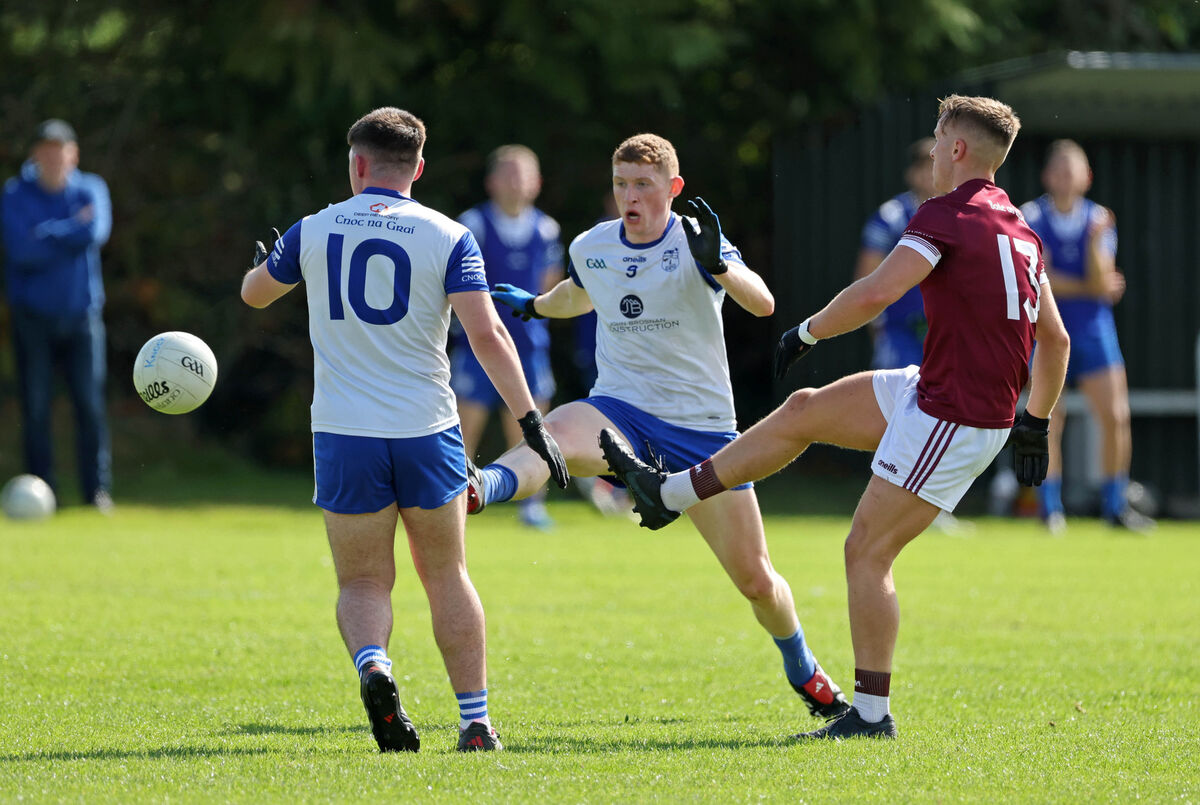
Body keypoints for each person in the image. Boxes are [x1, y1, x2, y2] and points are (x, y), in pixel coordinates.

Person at [600, 96, 1071, 740]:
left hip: (952, 414)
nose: (932, 152)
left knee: (866, 553)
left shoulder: (945, 214)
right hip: (937, 392)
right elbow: (1058, 341)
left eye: (937, 140)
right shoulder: (1021, 229)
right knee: (804, 411)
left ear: (958, 149)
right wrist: (1036, 423)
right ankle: (668, 493)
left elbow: (879, 291)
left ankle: (871, 717)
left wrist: (808, 333)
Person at [468, 133, 852, 722]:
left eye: (643, 185)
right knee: (557, 429)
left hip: (702, 432)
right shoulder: (592, 244)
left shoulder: (698, 241)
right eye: (621, 184)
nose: (630, 196)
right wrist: (537, 305)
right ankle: (478, 489)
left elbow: (764, 304)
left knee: (756, 582)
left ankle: (802, 665)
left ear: (673, 189)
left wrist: (719, 262)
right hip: (620, 408)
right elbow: (580, 292)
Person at [240, 107, 568, 754]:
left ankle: (375, 666)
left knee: (362, 581)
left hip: (343, 432)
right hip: (427, 428)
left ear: (356, 165)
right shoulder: (449, 235)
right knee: (446, 573)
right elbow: (489, 334)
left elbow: (254, 294)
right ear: (417, 167)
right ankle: (475, 722)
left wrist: (265, 261)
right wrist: (531, 421)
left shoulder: (313, 227)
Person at [1019, 140, 1152, 534]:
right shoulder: (1030, 217)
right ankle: (1050, 509)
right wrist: (1091, 286)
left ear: (1087, 177)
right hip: (1046, 330)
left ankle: (1115, 506)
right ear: (1046, 176)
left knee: (1115, 417)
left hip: (1094, 332)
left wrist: (1092, 253)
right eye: (1056, 168)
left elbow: (1096, 278)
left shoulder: (1099, 221)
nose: (1063, 176)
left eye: (1071, 168)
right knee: (1048, 419)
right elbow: (1046, 280)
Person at [856, 138, 971, 536]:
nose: (928, 173)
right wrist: (875, 324)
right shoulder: (890, 216)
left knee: (938, 414)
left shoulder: (959, 215)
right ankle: (883, 501)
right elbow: (868, 276)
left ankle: (929, 505)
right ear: (912, 172)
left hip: (941, 336)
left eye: (933, 164)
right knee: (893, 416)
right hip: (901, 333)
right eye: (922, 166)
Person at [1, 119, 113, 512]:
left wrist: (45, 233)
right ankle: (42, 490)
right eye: (45, 150)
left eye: (60, 149)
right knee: (34, 407)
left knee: (89, 405)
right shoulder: (15, 194)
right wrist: (68, 231)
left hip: (83, 317)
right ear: (35, 154)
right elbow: (21, 251)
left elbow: (95, 233)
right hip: (32, 317)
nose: (52, 157)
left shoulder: (92, 188)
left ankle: (96, 491)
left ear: (73, 154)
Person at [451, 145, 563, 530]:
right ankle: (450, 501)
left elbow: (550, 283)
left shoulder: (546, 228)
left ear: (537, 183)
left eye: (524, 174)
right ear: (492, 181)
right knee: (464, 429)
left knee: (532, 430)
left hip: (529, 349)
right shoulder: (473, 224)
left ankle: (532, 506)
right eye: (509, 173)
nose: (517, 182)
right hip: (476, 346)